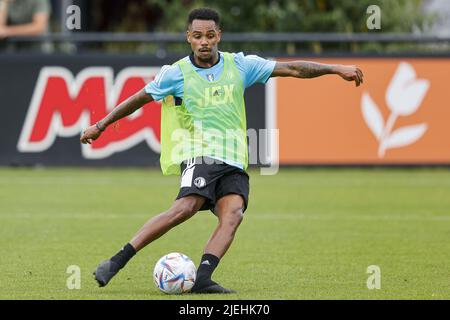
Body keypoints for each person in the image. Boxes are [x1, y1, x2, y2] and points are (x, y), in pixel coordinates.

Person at [80, 7, 363, 294]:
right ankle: (116, 261)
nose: (204, 41)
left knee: (233, 214)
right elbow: (138, 99)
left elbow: (292, 68)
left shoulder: (239, 65)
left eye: (210, 35)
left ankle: (202, 278)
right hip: (200, 153)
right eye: (198, 36)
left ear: (219, 36)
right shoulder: (176, 73)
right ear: (188, 37)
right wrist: (101, 125)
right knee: (185, 208)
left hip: (235, 159)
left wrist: (335, 68)